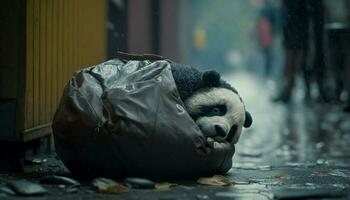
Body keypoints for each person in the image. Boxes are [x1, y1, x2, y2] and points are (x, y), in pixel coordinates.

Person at [274, 0, 309, 102]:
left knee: (297, 63)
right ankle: (289, 89)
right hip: (293, 30)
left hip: (297, 30)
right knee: (292, 64)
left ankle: (292, 89)